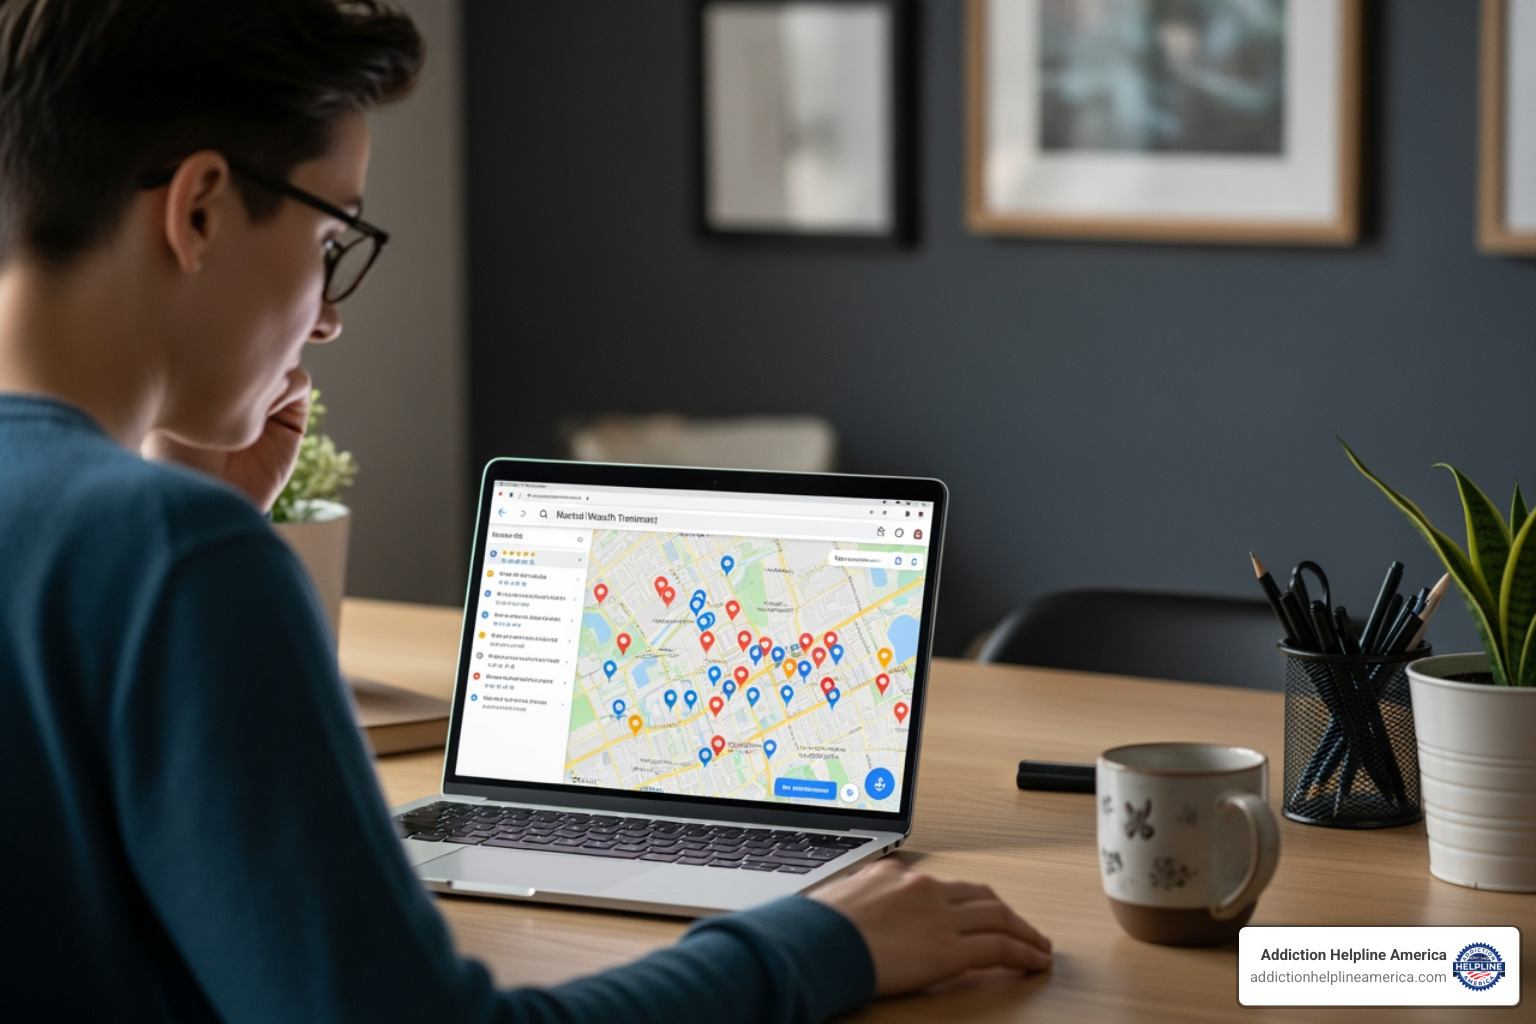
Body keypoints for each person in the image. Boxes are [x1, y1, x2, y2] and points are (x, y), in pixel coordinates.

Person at [0, 2, 1051, 1020]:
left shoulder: (144, 542)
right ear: (199, 210)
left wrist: (195, 518)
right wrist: (816, 943)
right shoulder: (172, 559)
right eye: (331, 245)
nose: (324, 321)